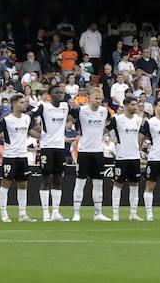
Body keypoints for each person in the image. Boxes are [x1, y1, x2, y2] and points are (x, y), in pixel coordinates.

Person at [71, 86, 112, 222]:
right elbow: (71, 116)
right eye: (96, 98)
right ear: (89, 98)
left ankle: (98, 213)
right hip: (83, 151)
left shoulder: (104, 111)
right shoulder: (82, 111)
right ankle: (76, 213)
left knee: (98, 183)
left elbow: (108, 125)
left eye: (100, 98)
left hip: (98, 152)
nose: (99, 101)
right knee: (80, 182)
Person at [32, 85, 71, 221]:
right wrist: (34, 132)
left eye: (62, 92)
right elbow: (29, 115)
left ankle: (55, 212)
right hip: (47, 147)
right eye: (57, 92)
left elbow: (78, 113)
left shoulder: (66, 106)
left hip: (60, 147)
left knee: (58, 179)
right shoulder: (44, 107)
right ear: (50, 95)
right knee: (45, 178)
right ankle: (45, 213)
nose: (60, 94)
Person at [0, 92, 34, 223]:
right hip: (10, 156)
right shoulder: (6, 119)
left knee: (23, 184)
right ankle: (4, 214)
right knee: (6, 183)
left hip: (23, 156)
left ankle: (22, 214)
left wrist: (43, 136)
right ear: (14, 104)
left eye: (25, 102)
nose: (24, 105)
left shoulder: (27, 119)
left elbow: (30, 132)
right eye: (22, 102)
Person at [108, 97, 145, 221]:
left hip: (134, 157)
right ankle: (115, 214)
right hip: (121, 157)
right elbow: (106, 131)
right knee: (118, 184)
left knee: (135, 184)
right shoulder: (117, 119)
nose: (136, 107)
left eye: (136, 104)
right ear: (125, 105)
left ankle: (133, 213)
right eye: (133, 104)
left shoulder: (139, 120)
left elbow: (140, 136)